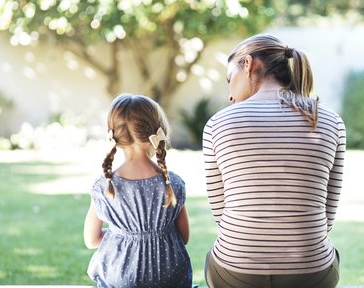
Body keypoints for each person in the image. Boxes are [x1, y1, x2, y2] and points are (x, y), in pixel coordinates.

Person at [202, 34, 346, 288]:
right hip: (311, 272)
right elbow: (327, 216)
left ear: (248, 64)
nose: (229, 95)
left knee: (215, 257)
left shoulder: (218, 124)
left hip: (236, 270)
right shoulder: (330, 121)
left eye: (229, 79)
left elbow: (221, 214)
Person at [83, 94, 192, 288]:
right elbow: (183, 237)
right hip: (170, 278)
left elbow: (92, 240)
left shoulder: (104, 186)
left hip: (121, 279)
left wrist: (122, 234)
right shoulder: (173, 183)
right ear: (157, 132)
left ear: (114, 136)